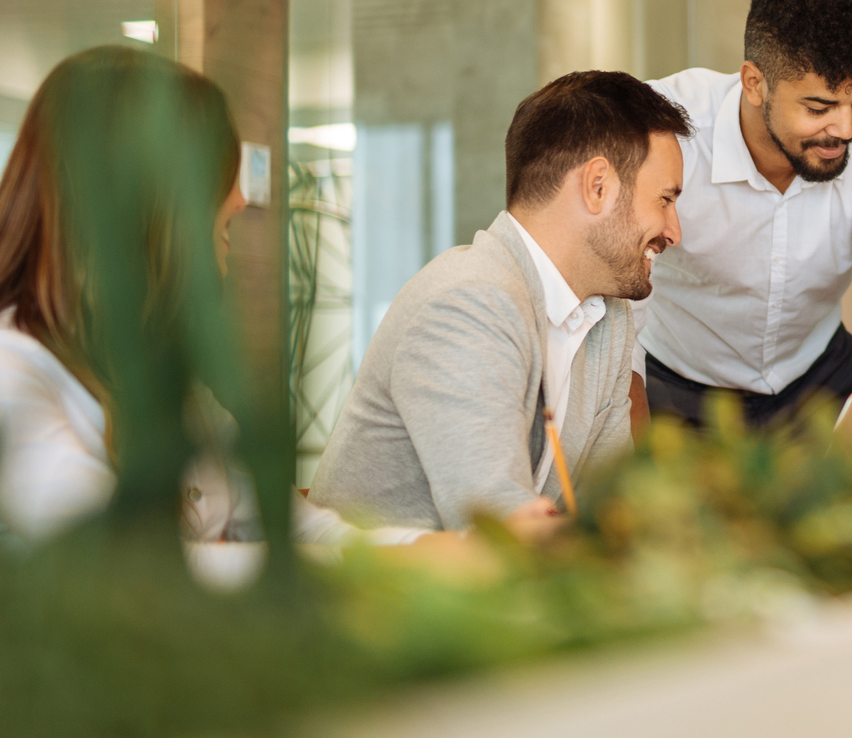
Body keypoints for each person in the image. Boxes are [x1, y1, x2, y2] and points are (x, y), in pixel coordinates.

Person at [0, 46, 555, 547]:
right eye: (218, 175)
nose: (241, 200)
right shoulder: (12, 376)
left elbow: (304, 534)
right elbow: (119, 573)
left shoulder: (169, 386)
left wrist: (467, 549)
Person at [310, 70, 688, 532]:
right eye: (665, 199)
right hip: (378, 595)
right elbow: (496, 526)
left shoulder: (609, 318)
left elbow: (610, 508)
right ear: (597, 186)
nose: (675, 231)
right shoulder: (468, 301)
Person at [635, 0, 852, 429]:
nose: (844, 128)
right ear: (754, 83)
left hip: (820, 376)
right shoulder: (664, 126)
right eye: (819, 107)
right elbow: (614, 310)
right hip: (675, 386)